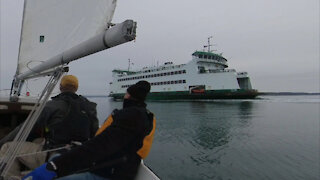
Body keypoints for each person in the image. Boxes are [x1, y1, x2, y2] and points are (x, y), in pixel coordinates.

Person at [22, 80, 156, 180]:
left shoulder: (129, 117)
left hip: (106, 173)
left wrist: (56, 166)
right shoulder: (147, 117)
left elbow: (101, 145)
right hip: (112, 167)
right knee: (58, 157)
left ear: (127, 96)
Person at [0, 75, 99, 178]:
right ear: (76, 88)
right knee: (37, 140)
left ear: (60, 87)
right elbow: (95, 135)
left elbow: (26, 128)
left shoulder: (52, 105)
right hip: (78, 156)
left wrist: (2, 141)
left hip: (54, 157)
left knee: (7, 148)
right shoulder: (90, 108)